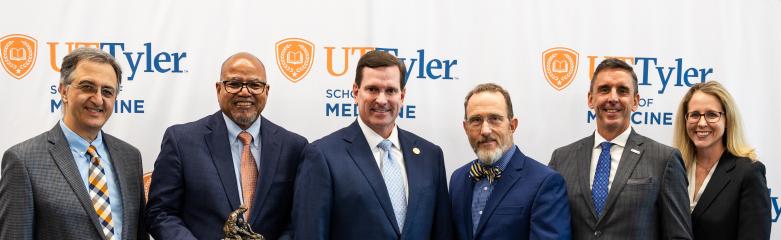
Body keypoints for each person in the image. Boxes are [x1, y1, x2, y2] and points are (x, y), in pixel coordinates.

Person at [145, 52, 308, 239]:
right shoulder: (181, 141)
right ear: (218, 89)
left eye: (255, 85)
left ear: (266, 91)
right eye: (234, 84)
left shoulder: (294, 148)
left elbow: (298, 219)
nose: (245, 92)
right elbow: (161, 213)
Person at [292, 50, 452, 239]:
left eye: (390, 90)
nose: (381, 99)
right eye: (373, 89)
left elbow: (442, 233)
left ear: (402, 95)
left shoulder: (430, 155)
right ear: (356, 92)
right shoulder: (322, 155)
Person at [0, 47, 145, 239]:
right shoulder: (23, 160)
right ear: (63, 91)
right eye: (87, 87)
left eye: (107, 91)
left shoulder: (130, 157)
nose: (98, 99)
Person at [548, 58, 692, 239]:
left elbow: (678, 236)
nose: (613, 98)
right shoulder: (561, 159)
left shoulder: (665, 159)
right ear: (591, 99)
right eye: (604, 89)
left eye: (622, 91)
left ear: (635, 101)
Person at [449, 83, 571, 239]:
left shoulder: (545, 182)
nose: (485, 130)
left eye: (495, 119)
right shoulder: (458, 179)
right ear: (466, 128)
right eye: (476, 120)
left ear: (512, 126)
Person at [672, 81, 771, 239]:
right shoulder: (674, 169)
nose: (702, 123)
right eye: (695, 114)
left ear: (727, 120)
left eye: (712, 115)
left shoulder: (748, 173)